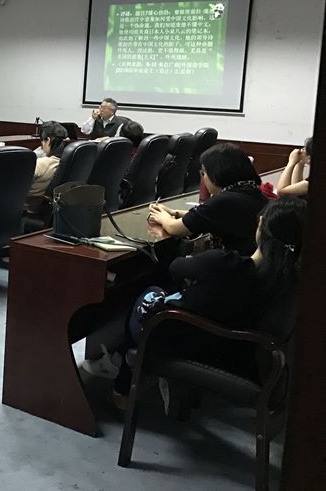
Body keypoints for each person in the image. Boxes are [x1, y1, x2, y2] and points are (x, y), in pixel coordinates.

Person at [106, 196, 306, 404]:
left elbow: (175, 267)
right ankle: (124, 367)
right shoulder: (292, 280)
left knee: (149, 294)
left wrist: (198, 261)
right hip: (241, 352)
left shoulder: (226, 264)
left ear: (261, 226)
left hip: (198, 345)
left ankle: (123, 384)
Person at [149, 142, 267, 256]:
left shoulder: (224, 200)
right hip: (251, 261)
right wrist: (174, 212)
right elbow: (208, 216)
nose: (203, 178)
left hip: (235, 263)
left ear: (216, 174)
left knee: (176, 264)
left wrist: (162, 216)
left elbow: (174, 228)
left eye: (204, 173)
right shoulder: (252, 192)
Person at [27, 121, 68, 202]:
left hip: (28, 204)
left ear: (48, 140)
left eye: (42, 141)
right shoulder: (66, 162)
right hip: (47, 204)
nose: (42, 144)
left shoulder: (41, 164)